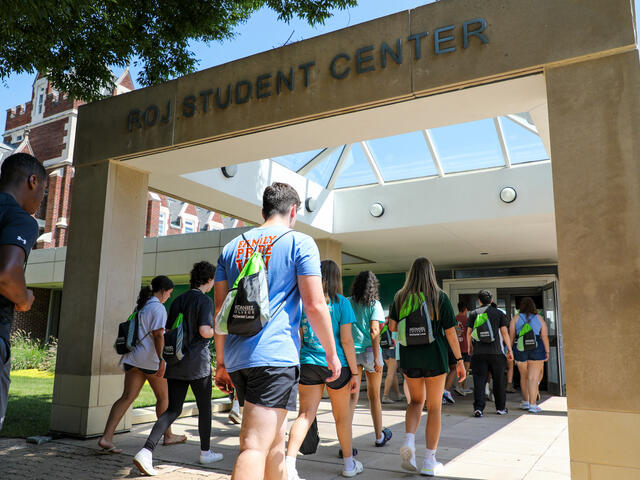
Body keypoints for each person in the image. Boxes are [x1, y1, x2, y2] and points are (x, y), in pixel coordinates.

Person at [213, 182, 340, 480]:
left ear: (263, 211)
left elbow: (220, 310)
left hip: (238, 358)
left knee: (274, 444)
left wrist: (221, 363)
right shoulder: (300, 242)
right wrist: (332, 355)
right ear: (293, 211)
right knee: (253, 447)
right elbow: (314, 304)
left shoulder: (232, 247)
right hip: (274, 358)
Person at [134, 261, 223, 476]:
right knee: (204, 408)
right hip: (197, 364)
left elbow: (169, 331)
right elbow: (204, 331)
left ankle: (146, 451)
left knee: (173, 409)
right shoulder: (204, 301)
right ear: (209, 280)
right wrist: (217, 328)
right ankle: (205, 452)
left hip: (176, 361)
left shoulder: (178, 300)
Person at [388, 257, 465, 476]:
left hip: (410, 358)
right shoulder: (438, 297)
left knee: (415, 402)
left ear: (412, 273)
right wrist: (459, 361)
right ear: (431, 273)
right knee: (434, 408)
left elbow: (393, 328)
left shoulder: (400, 297)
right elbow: (450, 332)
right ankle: (429, 461)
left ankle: (410, 443)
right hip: (435, 358)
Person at [287, 260, 363, 479]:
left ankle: (290, 465)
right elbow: (347, 341)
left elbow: (299, 337)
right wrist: (355, 373)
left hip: (308, 364)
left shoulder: (303, 303)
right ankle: (349, 465)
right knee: (342, 417)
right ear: (337, 279)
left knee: (305, 415)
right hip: (336, 366)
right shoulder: (342, 303)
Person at [99, 276, 186, 453]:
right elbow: (157, 335)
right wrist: (162, 359)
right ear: (162, 291)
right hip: (151, 361)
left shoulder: (142, 307)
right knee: (164, 399)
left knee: (126, 397)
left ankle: (106, 437)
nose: (168, 296)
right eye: (168, 293)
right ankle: (168, 436)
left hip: (133, 359)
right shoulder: (158, 308)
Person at [0, 153, 46, 432]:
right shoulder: (20, 219)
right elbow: (6, 274)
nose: (42, 199)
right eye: (44, 190)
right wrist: (24, 297)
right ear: (33, 181)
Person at [348, 270, 392, 448]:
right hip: (369, 352)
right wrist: (376, 358)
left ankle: (347, 441)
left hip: (351, 353)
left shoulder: (347, 302)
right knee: (375, 397)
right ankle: (379, 436)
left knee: (352, 398)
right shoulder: (375, 304)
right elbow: (375, 331)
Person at [466, 290, 513, 418]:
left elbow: (469, 333)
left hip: (479, 353)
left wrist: (470, 347)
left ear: (479, 301)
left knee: (479, 381)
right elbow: (504, 333)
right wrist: (509, 349)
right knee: (499, 381)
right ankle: (501, 408)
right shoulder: (498, 313)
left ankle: (479, 409)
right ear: (491, 300)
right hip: (497, 353)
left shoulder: (473, 313)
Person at [509, 297, 549, 413]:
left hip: (520, 348)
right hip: (536, 348)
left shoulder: (515, 318)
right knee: (533, 378)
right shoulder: (539, 318)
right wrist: (547, 351)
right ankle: (533, 405)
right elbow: (544, 336)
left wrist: (509, 351)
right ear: (533, 306)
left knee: (524, 376)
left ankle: (525, 402)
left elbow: (511, 336)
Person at [453, 301, 472, 396]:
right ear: (466, 309)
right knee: (466, 367)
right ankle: (459, 385)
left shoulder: (455, 318)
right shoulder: (467, 319)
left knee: (459, 367)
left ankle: (463, 387)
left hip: (457, 346)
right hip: (466, 346)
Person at [381, 316, 402, 404]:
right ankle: (385, 396)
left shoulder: (385, 321)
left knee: (393, 373)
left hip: (384, 348)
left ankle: (398, 395)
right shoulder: (397, 320)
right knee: (390, 373)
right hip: (393, 349)